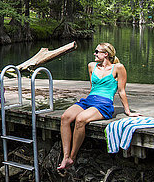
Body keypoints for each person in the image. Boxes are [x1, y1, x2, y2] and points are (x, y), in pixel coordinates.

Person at [57, 42, 140, 170]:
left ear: (105, 54)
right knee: (65, 117)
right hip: (90, 100)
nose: (94, 54)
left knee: (80, 119)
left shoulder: (118, 68)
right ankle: (65, 156)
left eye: (97, 51)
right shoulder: (91, 66)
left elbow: (121, 91)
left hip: (104, 103)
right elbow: (93, 87)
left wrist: (128, 112)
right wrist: (88, 103)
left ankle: (71, 158)